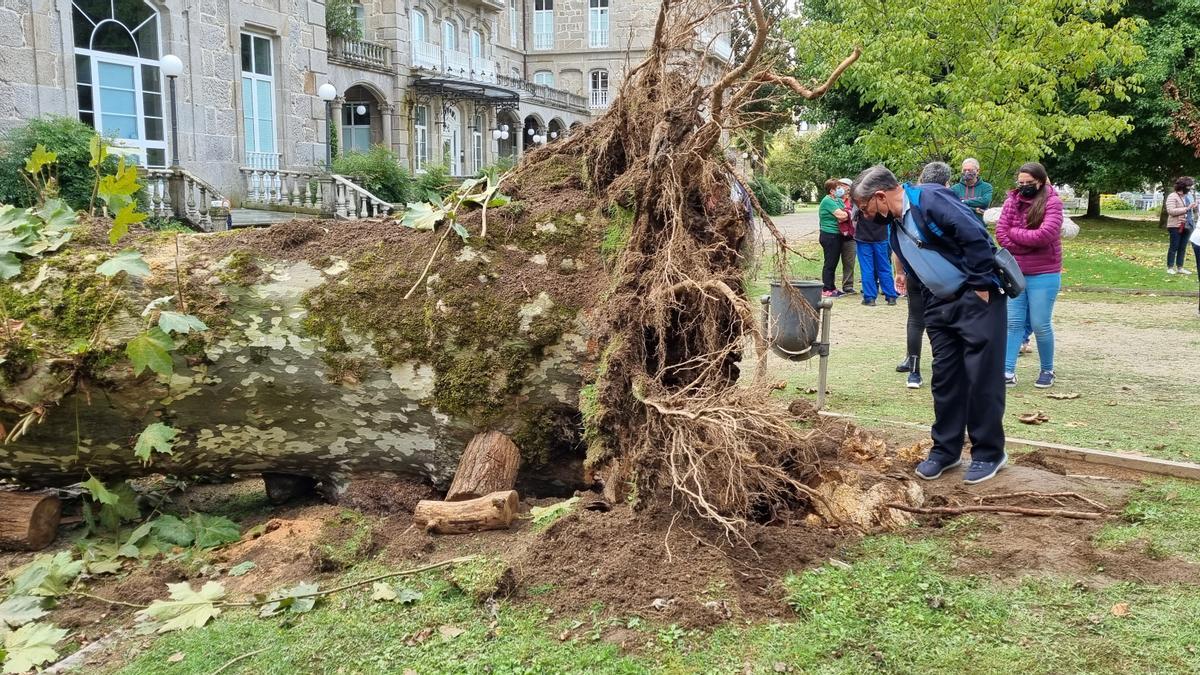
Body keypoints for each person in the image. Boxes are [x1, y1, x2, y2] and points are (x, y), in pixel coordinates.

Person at [851, 165, 1007, 484]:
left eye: (866, 208)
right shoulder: (895, 223)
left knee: (982, 376)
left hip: (976, 298)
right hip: (939, 304)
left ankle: (989, 453)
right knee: (945, 378)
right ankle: (945, 450)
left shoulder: (931, 200)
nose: (866, 216)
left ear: (880, 196)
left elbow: (975, 236)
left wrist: (979, 287)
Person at [996, 162, 1064, 389]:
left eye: (1029, 183)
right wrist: (1025, 242)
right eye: (1021, 183)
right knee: (1013, 322)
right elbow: (1000, 234)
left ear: (1041, 181)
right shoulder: (1010, 202)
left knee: (1039, 323)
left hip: (1045, 272)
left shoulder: (1053, 202)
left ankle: (1047, 369)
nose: (1024, 187)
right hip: (1015, 271)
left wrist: (1016, 237)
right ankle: (1007, 370)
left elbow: (1045, 235)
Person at [895, 161, 953, 388]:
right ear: (946, 183)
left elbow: (898, 244)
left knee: (916, 319)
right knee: (941, 320)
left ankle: (914, 372)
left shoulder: (908, 205)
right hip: (939, 275)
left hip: (914, 272)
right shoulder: (946, 205)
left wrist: (900, 271)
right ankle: (942, 370)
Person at [852, 179, 899, 307]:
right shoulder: (882, 198)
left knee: (867, 268)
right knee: (884, 267)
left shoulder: (860, 199)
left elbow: (853, 217)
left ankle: (870, 297)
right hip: (881, 237)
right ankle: (891, 296)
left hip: (863, 238)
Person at [818, 179, 850, 298]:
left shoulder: (836, 200)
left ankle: (832, 287)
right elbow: (842, 215)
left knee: (834, 262)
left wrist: (846, 214)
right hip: (829, 235)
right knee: (830, 263)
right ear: (831, 191)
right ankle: (826, 288)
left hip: (836, 235)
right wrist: (846, 214)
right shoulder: (827, 201)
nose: (841, 190)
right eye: (838, 188)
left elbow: (846, 211)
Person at [1165, 177, 1198, 275]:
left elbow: (1192, 210)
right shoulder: (1172, 196)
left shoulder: (1188, 196)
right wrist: (1187, 208)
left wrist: (1194, 207)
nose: (1189, 189)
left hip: (1188, 225)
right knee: (1174, 246)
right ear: (1182, 186)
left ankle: (1180, 267)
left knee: (1182, 247)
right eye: (1188, 187)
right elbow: (1171, 211)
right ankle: (1170, 267)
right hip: (1176, 225)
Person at [951, 158, 994, 223]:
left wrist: (962, 202)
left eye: (970, 170)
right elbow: (953, 205)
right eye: (964, 170)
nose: (967, 172)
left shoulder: (986, 187)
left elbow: (985, 201)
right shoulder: (954, 188)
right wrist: (974, 209)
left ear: (977, 171)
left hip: (979, 226)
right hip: (959, 226)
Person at [837, 178, 858, 294]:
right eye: (839, 185)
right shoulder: (833, 199)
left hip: (850, 236)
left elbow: (852, 216)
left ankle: (848, 286)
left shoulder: (854, 201)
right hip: (835, 235)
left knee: (849, 262)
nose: (841, 188)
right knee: (831, 262)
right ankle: (829, 286)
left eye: (844, 185)